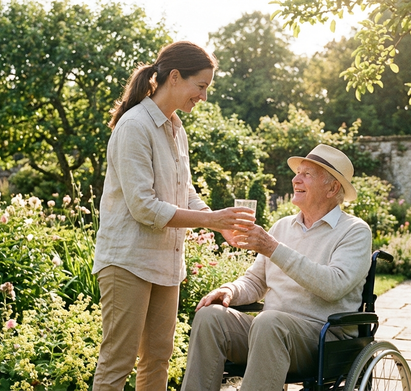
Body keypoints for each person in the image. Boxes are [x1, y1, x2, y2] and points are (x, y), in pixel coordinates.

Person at [92, 41, 255, 391]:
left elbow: (186, 192)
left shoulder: (176, 128)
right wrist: (211, 221)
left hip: (165, 264)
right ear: (176, 77)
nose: (204, 97)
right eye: (202, 87)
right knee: (117, 361)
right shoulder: (134, 126)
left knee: (158, 358)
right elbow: (144, 207)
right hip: (127, 261)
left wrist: (219, 223)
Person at [180, 144, 373, 391]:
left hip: (322, 340)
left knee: (270, 322)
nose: (295, 179)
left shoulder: (354, 231)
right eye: (297, 173)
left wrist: (273, 248)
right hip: (268, 333)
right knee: (210, 316)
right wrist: (230, 291)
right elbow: (255, 281)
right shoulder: (283, 226)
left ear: (333, 187)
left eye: (307, 174)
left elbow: (333, 286)